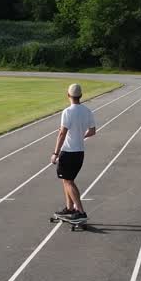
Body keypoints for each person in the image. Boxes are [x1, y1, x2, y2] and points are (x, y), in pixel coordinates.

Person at [52, 83, 96, 221]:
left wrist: (55, 153)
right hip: (79, 153)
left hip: (68, 152)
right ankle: (69, 208)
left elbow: (62, 133)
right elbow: (92, 131)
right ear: (81, 96)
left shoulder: (68, 112)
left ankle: (80, 211)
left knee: (68, 182)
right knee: (67, 180)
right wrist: (81, 136)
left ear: (68, 95)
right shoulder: (87, 111)